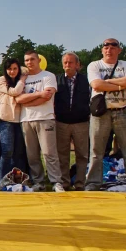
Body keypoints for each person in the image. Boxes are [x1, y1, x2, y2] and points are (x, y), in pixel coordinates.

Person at [84, 38, 126, 192]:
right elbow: (96, 84)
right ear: (102, 50)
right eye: (106, 46)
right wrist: (121, 84)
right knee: (96, 152)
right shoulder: (94, 65)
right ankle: (92, 184)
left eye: (114, 46)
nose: (109, 48)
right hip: (101, 112)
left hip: (122, 111)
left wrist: (110, 82)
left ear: (119, 50)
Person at [16, 50, 64, 192]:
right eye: (26, 60)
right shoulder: (22, 79)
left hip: (45, 118)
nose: (29, 63)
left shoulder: (48, 76)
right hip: (26, 119)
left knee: (49, 152)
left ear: (38, 60)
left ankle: (56, 181)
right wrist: (38, 94)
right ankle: (39, 182)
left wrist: (28, 101)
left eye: (32, 59)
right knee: (32, 155)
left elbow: (47, 97)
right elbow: (18, 99)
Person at [54, 52, 91, 190]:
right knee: (62, 154)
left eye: (70, 62)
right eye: (65, 63)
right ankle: (65, 182)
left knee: (82, 154)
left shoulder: (86, 80)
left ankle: (80, 183)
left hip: (81, 122)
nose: (67, 65)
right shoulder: (57, 80)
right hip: (62, 122)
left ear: (77, 65)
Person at [0, 57, 28, 177]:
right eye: (9, 69)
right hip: (6, 119)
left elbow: (25, 69)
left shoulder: (20, 79)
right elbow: (15, 92)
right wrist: (23, 79)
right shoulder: (1, 80)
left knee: (18, 153)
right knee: (7, 151)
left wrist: (21, 76)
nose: (12, 71)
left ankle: (18, 180)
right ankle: (3, 179)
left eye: (15, 68)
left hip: (20, 119)